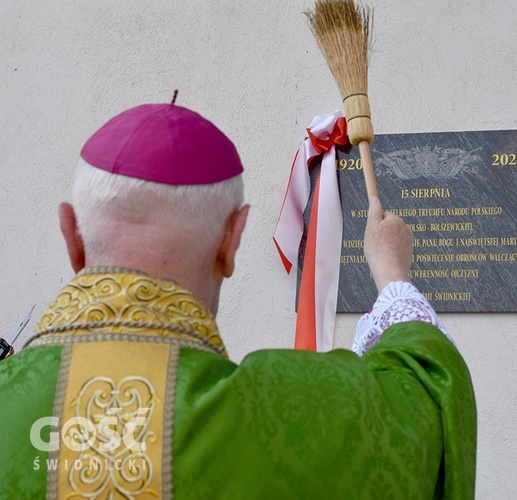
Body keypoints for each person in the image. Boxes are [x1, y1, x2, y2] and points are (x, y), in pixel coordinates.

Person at [0, 100, 476, 499]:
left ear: (71, 236)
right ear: (233, 239)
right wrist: (392, 272)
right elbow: (427, 399)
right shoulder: (292, 415)